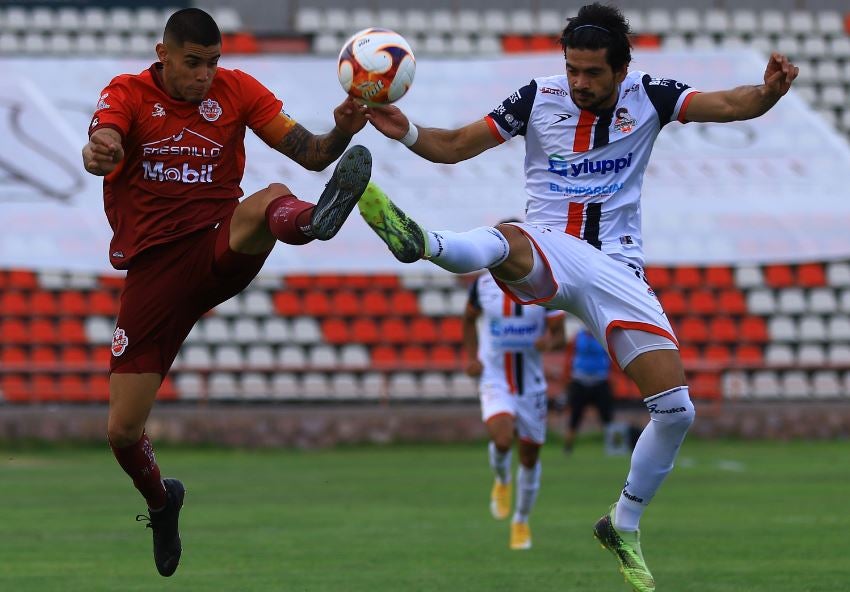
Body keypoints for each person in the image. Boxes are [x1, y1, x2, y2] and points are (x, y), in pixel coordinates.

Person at [356, 3, 798, 590]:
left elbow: (731, 105)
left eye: (592, 73)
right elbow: (456, 143)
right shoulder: (536, 98)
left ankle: (624, 522)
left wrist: (768, 92)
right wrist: (406, 129)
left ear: (621, 69)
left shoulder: (652, 96)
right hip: (550, 245)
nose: (580, 83)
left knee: (676, 411)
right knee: (505, 238)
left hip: (617, 270)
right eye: (573, 70)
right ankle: (423, 243)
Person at [81, 8, 371, 577]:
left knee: (270, 197)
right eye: (193, 63)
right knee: (121, 432)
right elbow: (104, 136)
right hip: (155, 274)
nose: (206, 74)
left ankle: (313, 220)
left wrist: (342, 130)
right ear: (163, 55)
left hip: (218, 246)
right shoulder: (129, 92)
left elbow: (312, 152)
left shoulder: (236, 91)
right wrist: (103, 149)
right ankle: (163, 503)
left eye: (213, 62)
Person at [462, 266, 565, 550]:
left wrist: (549, 341)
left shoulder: (543, 286)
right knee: (503, 439)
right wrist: (471, 358)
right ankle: (502, 478)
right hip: (494, 378)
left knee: (530, 457)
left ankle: (520, 520)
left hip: (531, 384)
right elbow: (469, 319)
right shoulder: (482, 285)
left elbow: (561, 335)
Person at [563, 326, 614, 454]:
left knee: (606, 417)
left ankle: (613, 446)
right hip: (580, 380)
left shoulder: (603, 336)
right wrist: (566, 379)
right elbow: (569, 357)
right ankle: (568, 447)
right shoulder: (577, 337)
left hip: (600, 379)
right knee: (575, 416)